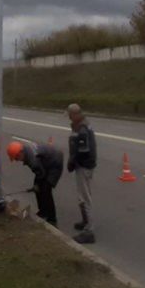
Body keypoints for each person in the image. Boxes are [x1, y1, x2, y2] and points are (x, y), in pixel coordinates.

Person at [6, 140, 64, 226]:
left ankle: (52, 218)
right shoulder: (26, 151)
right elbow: (39, 173)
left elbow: (41, 174)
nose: (17, 160)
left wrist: (37, 185)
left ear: (20, 153)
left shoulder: (32, 160)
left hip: (55, 162)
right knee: (38, 188)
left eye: (16, 158)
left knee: (46, 189)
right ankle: (43, 211)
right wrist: (36, 186)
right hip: (46, 161)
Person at [66, 103, 97, 243]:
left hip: (84, 166)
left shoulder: (82, 128)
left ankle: (89, 231)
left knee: (85, 197)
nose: (69, 118)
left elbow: (82, 151)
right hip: (83, 165)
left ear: (74, 114)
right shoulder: (81, 125)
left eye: (70, 115)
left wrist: (72, 162)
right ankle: (85, 221)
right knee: (82, 195)